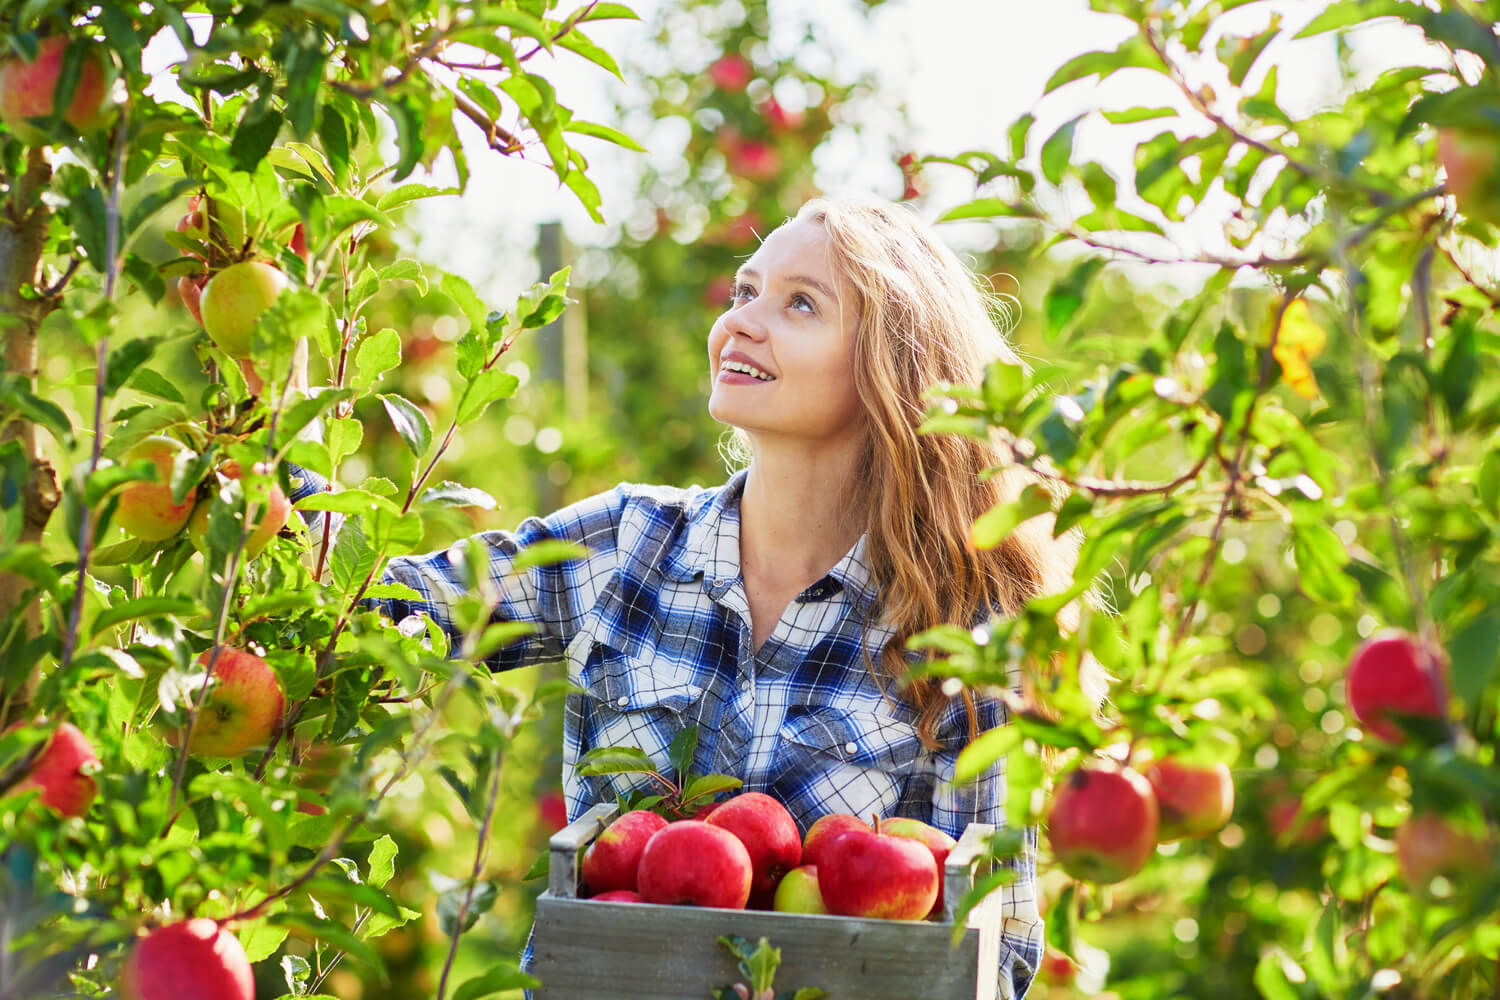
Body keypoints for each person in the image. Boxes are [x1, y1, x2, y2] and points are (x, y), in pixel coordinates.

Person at [296, 196, 1082, 998]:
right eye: (746, 292)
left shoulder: (959, 632)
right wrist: (263, 474)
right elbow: (390, 612)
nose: (741, 321)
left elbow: (999, 948)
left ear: (889, 366)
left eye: (799, 303)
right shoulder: (627, 544)